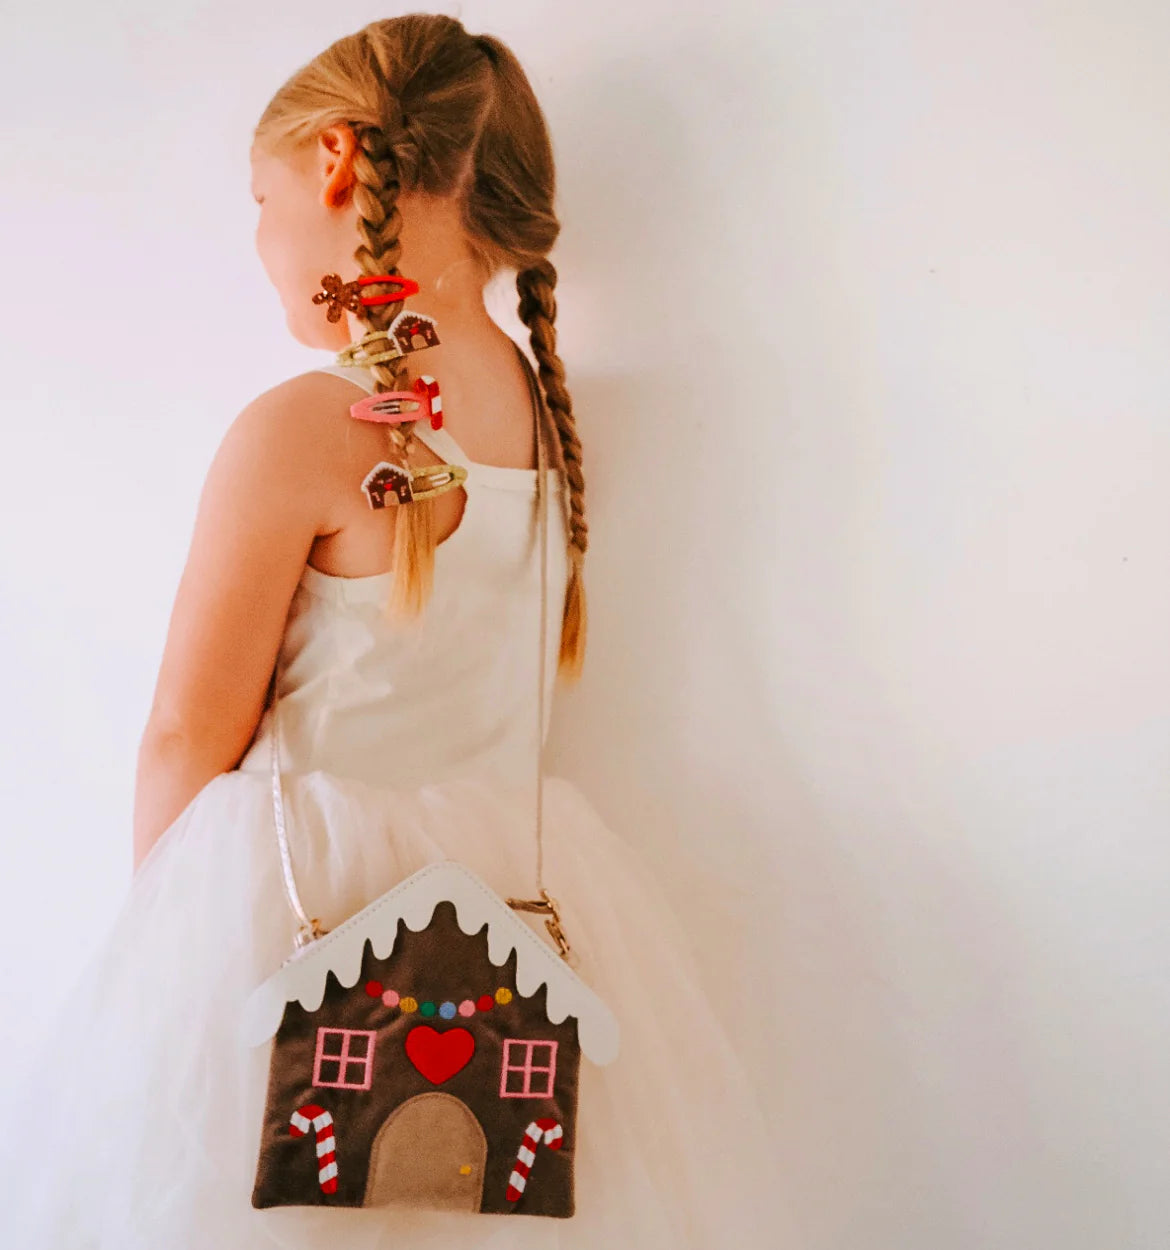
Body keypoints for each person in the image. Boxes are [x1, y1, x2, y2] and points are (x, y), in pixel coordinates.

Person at [0, 15, 775, 1248]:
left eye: (258, 201)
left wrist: (151, 973)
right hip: (502, 928)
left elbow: (184, 733)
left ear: (335, 165)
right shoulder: (548, 420)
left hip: (290, 918)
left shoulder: (304, 427)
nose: (257, 248)